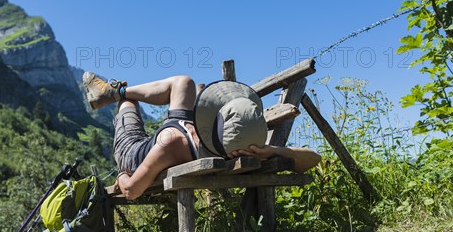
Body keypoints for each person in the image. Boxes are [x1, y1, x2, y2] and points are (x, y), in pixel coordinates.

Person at [83, 73, 321, 200]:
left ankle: (116, 94)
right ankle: (116, 90)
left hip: (135, 152)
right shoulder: (245, 144)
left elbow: (131, 190)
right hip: (182, 130)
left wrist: (123, 175)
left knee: (129, 103)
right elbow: (314, 158)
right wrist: (274, 151)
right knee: (184, 83)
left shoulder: (171, 143)